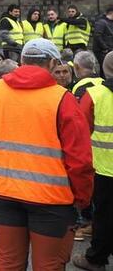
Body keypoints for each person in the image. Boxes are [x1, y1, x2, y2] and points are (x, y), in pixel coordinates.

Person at [0, 38, 94, 271]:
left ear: (22, 60)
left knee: (8, 263)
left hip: (4, 192)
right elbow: (80, 160)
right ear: (53, 63)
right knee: (48, 265)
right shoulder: (62, 99)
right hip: (52, 200)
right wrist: (81, 198)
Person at [73, 52, 113, 271]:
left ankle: (96, 258)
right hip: (104, 166)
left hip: (104, 167)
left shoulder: (95, 94)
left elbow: (80, 131)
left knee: (104, 215)